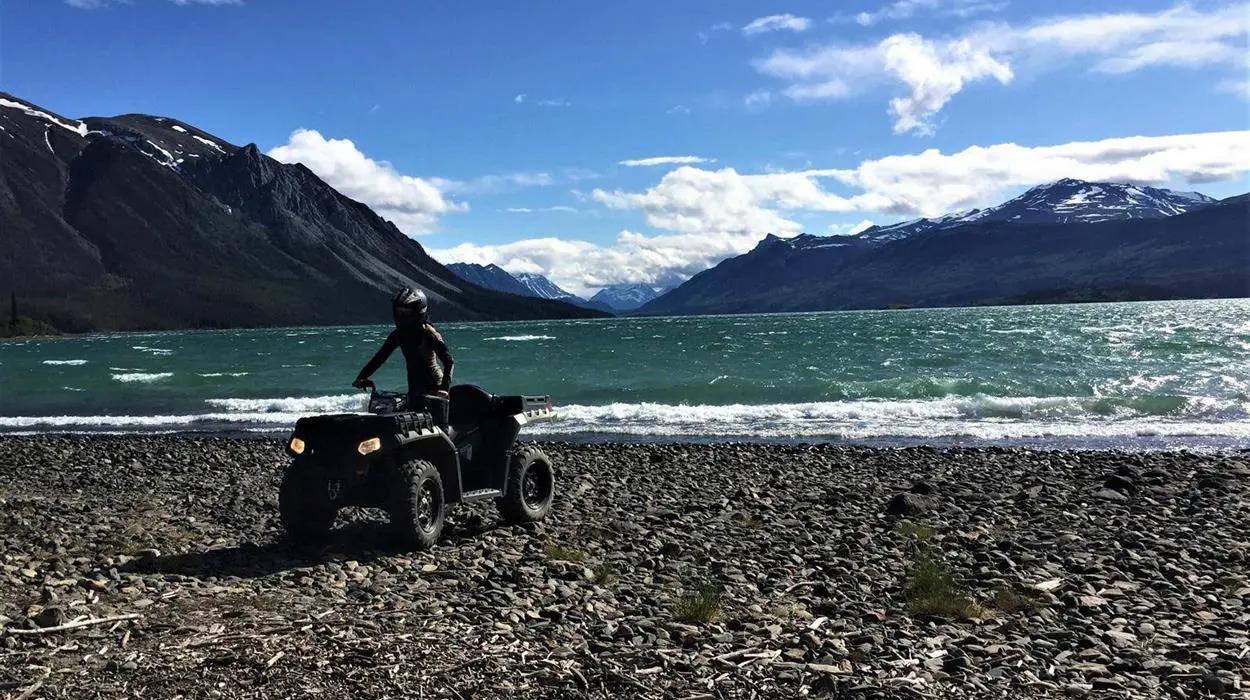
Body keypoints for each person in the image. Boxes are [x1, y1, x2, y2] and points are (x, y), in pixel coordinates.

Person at [353, 286, 454, 428]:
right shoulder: (398, 335)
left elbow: (449, 361)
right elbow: (380, 358)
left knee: (438, 428)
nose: (403, 316)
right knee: (414, 428)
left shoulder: (429, 334)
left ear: (419, 312)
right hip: (414, 387)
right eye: (400, 311)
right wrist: (362, 376)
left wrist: (444, 388)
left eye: (407, 312)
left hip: (434, 388)